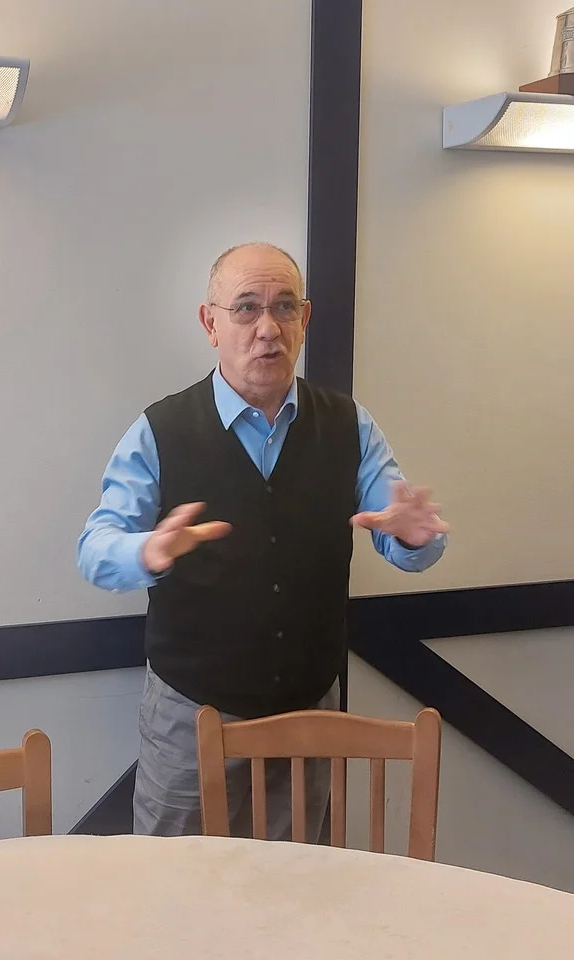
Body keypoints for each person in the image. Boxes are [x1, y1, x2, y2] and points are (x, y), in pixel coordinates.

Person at [77, 243, 448, 841]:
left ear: (306, 318)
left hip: (307, 710)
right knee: (172, 878)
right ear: (211, 323)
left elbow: (400, 531)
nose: (268, 328)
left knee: (293, 876)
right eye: (246, 308)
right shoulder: (159, 430)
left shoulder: (349, 425)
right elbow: (95, 549)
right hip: (191, 713)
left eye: (284, 307)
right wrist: (146, 552)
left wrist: (413, 539)